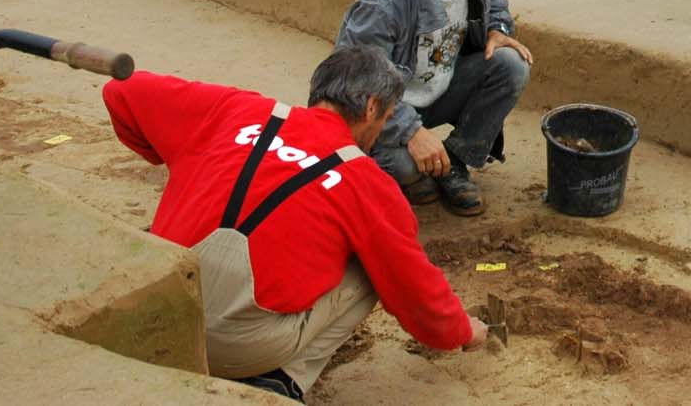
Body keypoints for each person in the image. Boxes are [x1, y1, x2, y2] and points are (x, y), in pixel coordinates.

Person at [103, 46, 486, 400]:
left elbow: (122, 91)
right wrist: (463, 331)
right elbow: (414, 290)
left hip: (158, 314)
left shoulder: (236, 109)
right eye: (387, 117)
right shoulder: (368, 182)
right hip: (237, 346)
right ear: (371, 108)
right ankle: (284, 380)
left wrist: (172, 158)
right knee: (373, 264)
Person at [335, 0, 532, 215]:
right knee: (405, 168)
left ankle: (453, 161)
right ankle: (410, 169)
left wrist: (499, 29)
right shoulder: (384, 5)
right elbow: (358, 85)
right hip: (384, 113)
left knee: (511, 65)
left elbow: (496, 1)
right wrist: (410, 132)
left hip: (437, 92)